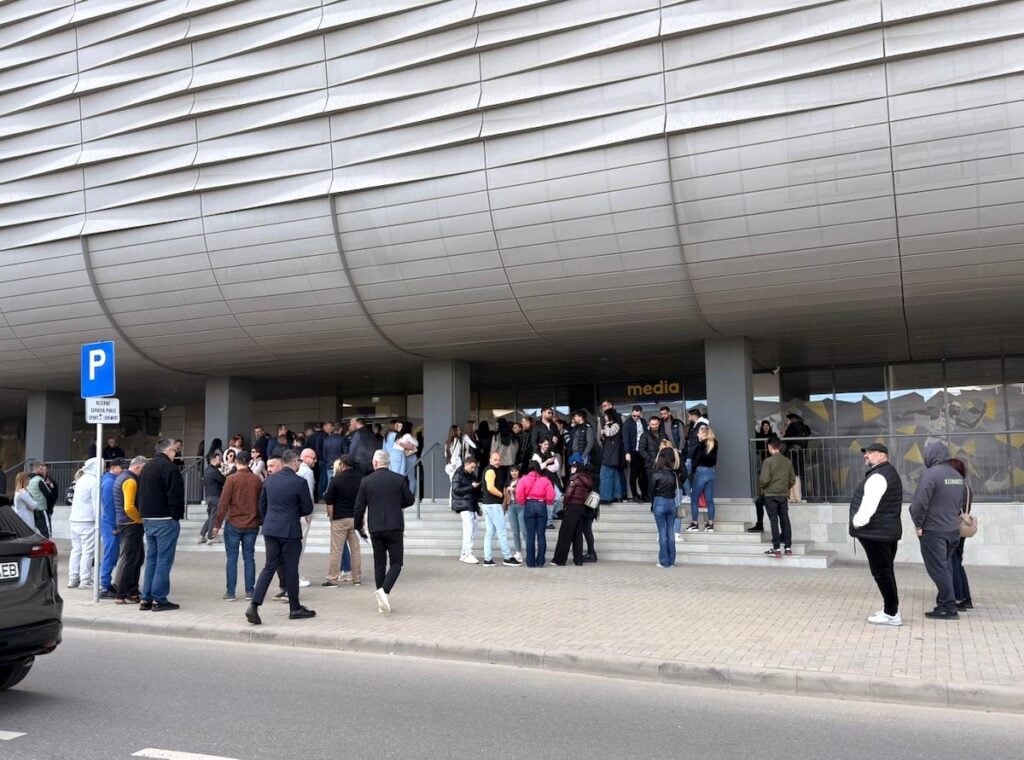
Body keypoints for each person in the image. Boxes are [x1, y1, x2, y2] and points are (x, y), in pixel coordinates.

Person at [245, 449, 315, 624]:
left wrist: (271, 518)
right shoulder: (299, 482)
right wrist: (292, 513)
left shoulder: (269, 481)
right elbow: (307, 508)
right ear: (293, 462)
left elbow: (262, 506)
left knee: (269, 567)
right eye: (298, 461)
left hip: (271, 529)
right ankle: (295, 608)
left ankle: (254, 604)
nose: (299, 464)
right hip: (290, 530)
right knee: (291, 569)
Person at [910, 441, 967, 620]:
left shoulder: (930, 474)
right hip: (952, 530)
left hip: (934, 530)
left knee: (938, 570)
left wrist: (918, 524)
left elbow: (919, 504)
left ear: (931, 455)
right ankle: (944, 604)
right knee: (946, 567)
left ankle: (949, 607)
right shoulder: (956, 475)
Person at [354, 450, 415, 615]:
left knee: (379, 562)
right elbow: (410, 500)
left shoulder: (366, 481)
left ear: (374, 463)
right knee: (396, 563)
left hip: (376, 527)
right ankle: (384, 592)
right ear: (388, 463)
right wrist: (396, 504)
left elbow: (359, 506)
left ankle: (381, 597)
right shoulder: (399, 479)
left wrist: (358, 525)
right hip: (395, 525)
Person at [849, 442, 904, 626]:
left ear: (882, 455)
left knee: (882, 573)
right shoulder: (889, 473)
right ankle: (890, 610)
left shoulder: (878, 477)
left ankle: (891, 613)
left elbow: (868, 507)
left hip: (876, 533)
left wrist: (857, 522)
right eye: (866, 452)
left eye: (870, 452)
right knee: (886, 571)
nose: (866, 455)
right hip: (885, 532)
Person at [139, 438, 186, 611]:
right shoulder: (170, 468)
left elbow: (140, 494)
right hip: (165, 519)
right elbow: (175, 495)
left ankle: (146, 598)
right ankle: (159, 599)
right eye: (175, 450)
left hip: (148, 519)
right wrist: (176, 516)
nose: (176, 453)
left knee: (152, 558)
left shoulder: (146, 468)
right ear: (168, 451)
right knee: (164, 560)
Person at [211, 451, 263, 602]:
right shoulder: (256, 480)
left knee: (232, 558)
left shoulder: (231, 479)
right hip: (252, 524)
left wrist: (217, 525)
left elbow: (223, 503)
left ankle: (231, 592)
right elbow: (261, 503)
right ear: (249, 461)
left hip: (233, 523)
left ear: (238, 461)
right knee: (249, 558)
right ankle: (250, 591)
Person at [322, 455, 363, 587]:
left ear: (343, 465)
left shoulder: (336, 480)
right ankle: (356, 578)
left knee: (336, 550)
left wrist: (331, 518)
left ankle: (332, 579)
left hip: (340, 518)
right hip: (355, 518)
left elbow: (329, 501)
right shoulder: (361, 479)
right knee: (355, 549)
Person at [113, 457, 147, 605]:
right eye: (143, 470)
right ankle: (122, 594)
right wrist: (139, 519)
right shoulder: (130, 481)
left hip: (125, 522)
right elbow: (129, 507)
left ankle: (132, 591)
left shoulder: (122, 477)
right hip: (131, 523)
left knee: (137, 557)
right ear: (138, 467)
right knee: (132, 559)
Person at [758, 437, 796, 558]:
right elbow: (792, 479)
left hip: (770, 495)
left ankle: (776, 548)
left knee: (774, 520)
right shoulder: (787, 461)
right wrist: (785, 487)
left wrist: (763, 487)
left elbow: (764, 480)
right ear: (779, 447)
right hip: (783, 495)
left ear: (770, 447)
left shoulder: (768, 462)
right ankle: (788, 547)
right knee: (785, 519)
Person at [480, 451, 519, 567]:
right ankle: (507, 557)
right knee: (501, 531)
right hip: (493, 505)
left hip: (488, 504)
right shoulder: (491, 471)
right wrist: (501, 495)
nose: (498, 462)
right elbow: (490, 487)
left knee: (490, 532)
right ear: (490, 460)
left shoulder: (488, 470)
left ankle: (487, 559)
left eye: (498, 459)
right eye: (495, 460)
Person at [552, 454, 592, 566]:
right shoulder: (586, 480)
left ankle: (559, 559)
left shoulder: (574, 479)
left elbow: (568, 495)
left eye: (573, 467)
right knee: (577, 534)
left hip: (572, 507)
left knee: (565, 533)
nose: (571, 469)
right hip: (581, 508)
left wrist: (565, 504)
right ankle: (578, 559)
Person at [515, 462, 555, 568]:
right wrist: (547, 502)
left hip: (529, 505)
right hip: (541, 505)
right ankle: (541, 561)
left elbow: (518, 494)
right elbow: (551, 496)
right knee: (541, 535)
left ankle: (530, 562)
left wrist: (523, 502)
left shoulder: (523, 480)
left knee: (530, 535)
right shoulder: (545, 480)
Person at [68, 457, 100, 590]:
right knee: (87, 551)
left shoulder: (80, 480)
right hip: (87, 520)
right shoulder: (94, 481)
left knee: (76, 550)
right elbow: (96, 504)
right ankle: (85, 580)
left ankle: (72, 578)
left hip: (74, 519)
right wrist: (99, 519)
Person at [948, 458, 973, 611]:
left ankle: (958, 598)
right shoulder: (967, 487)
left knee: (953, 562)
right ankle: (966, 598)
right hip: (963, 528)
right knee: (958, 561)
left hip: (953, 527)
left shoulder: (955, 488)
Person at [98, 459, 125, 598]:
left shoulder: (108, 480)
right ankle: (105, 585)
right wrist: (115, 526)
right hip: (110, 524)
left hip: (109, 522)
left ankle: (106, 583)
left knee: (112, 553)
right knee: (111, 553)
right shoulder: (109, 483)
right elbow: (109, 507)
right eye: (121, 467)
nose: (123, 470)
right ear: (113, 467)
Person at [651, 449, 679, 568]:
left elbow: (651, 491)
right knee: (670, 532)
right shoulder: (673, 475)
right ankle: (671, 561)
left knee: (662, 532)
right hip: (671, 503)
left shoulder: (656, 474)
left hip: (659, 502)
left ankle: (664, 561)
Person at [687, 425, 718, 532]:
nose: (697, 434)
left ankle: (695, 524)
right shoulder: (714, 444)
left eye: (699, 433)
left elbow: (696, 460)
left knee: (694, 499)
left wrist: (693, 470)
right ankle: (710, 524)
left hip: (701, 472)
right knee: (710, 500)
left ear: (703, 434)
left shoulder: (700, 445)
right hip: (711, 472)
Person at [452, 456, 482, 564]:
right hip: (463, 505)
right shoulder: (458, 475)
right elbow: (456, 490)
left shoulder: (471, 475)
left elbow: (473, 492)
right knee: (469, 529)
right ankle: (467, 553)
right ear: (466, 464)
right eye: (472, 467)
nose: (473, 469)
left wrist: (477, 508)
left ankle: (465, 553)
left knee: (472, 529)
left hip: (470, 505)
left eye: (474, 467)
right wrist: (471, 487)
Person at [531, 438, 562, 528]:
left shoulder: (551, 453)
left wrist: (546, 467)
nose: (546, 446)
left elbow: (556, 466)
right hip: (541, 479)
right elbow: (537, 468)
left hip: (552, 478)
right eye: (544, 444)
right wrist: (547, 462)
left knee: (559, 496)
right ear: (540, 444)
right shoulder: (536, 455)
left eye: (547, 444)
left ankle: (553, 513)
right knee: (549, 499)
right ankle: (548, 521)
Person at [598, 408, 624, 504]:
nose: (604, 417)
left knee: (604, 475)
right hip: (612, 455)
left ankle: (606, 497)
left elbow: (609, 433)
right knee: (615, 476)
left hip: (610, 456)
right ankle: (617, 496)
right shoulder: (613, 425)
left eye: (605, 415)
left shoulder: (615, 425)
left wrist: (605, 426)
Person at [199, 451, 226, 544]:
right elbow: (224, 480)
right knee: (214, 516)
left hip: (209, 497)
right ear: (214, 460)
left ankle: (202, 535)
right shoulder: (214, 471)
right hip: (215, 496)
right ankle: (210, 537)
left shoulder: (207, 470)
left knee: (211, 516)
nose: (220, 461)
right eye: (219, 460)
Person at [639, 416, 668, 499]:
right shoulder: (645, 435)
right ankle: (653, 505)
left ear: (659, 424)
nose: (654, 426)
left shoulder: (663, 434)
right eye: (652, 424)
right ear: (649, 424)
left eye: (656, 424)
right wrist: (652, 460)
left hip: (662, 465)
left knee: (661, 485)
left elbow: (668, 448)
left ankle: (660, 503)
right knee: (652, 485)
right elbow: (642, 450)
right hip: (650, 465)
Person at [623, 405, 647, 502]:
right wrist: (627, 452)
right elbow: (626, 439)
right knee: (634, 474)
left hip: (644, 451)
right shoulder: (628, 423)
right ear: (632, 413)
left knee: (644, 474)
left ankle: (644, 494)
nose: (635, 417)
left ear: (640, 413)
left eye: (637, 415)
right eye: (634, 415)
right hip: (634, 451)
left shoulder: (644, 422)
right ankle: (635, 495)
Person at [683, 408, 709, 495]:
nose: (688, 418)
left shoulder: (701, 425)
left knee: (684, 474)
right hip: (692, 455)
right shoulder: (695, 425)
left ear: (693, 416)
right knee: (686, 474)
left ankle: (690, 494)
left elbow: (703, 441)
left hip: (695, 456)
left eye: (688, 416)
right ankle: (691, 493)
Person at [504, 464, 525, 562]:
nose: (514, 473)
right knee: (515, 532)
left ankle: (530, 552)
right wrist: (504, 509)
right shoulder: (508, 482)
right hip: (511, 507)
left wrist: (513, 489)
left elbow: (525, 492)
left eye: (516, 471)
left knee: (524, 531)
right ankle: (518, 553)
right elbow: (505, 497)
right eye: (512, 471)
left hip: (521, 506)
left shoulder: (522, 481)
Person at [491, 418, 519, 483]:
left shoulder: (496, 436)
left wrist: (492, 460)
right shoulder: (513, 435)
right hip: (511, 462)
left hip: (499, 463)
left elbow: (493, 450)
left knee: (500, 482)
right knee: (510, 481)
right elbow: (516, 448)